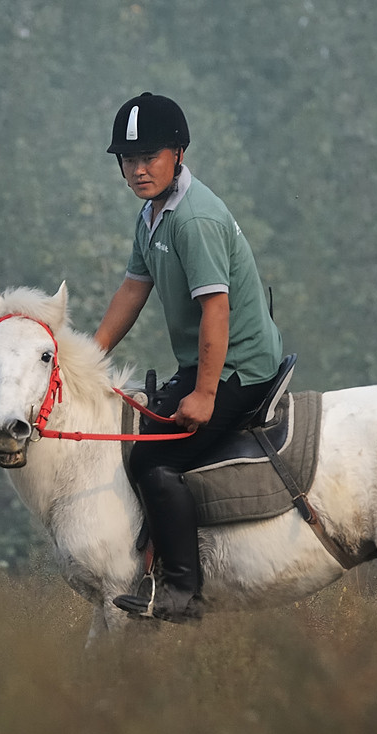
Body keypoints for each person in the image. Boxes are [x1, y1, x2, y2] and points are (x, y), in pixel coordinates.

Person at [94, 92, 284, 623]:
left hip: (240, 368)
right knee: (142, 433)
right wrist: (86, 360)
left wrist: (204, 394)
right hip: (207, 363)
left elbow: (216, 311)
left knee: (153, 460)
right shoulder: (152, 215)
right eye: (128, 159)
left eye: (148, 157)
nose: (137, 169)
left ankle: (182, 592)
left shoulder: (194, 219)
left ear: (178, 154)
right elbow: (132, 290)